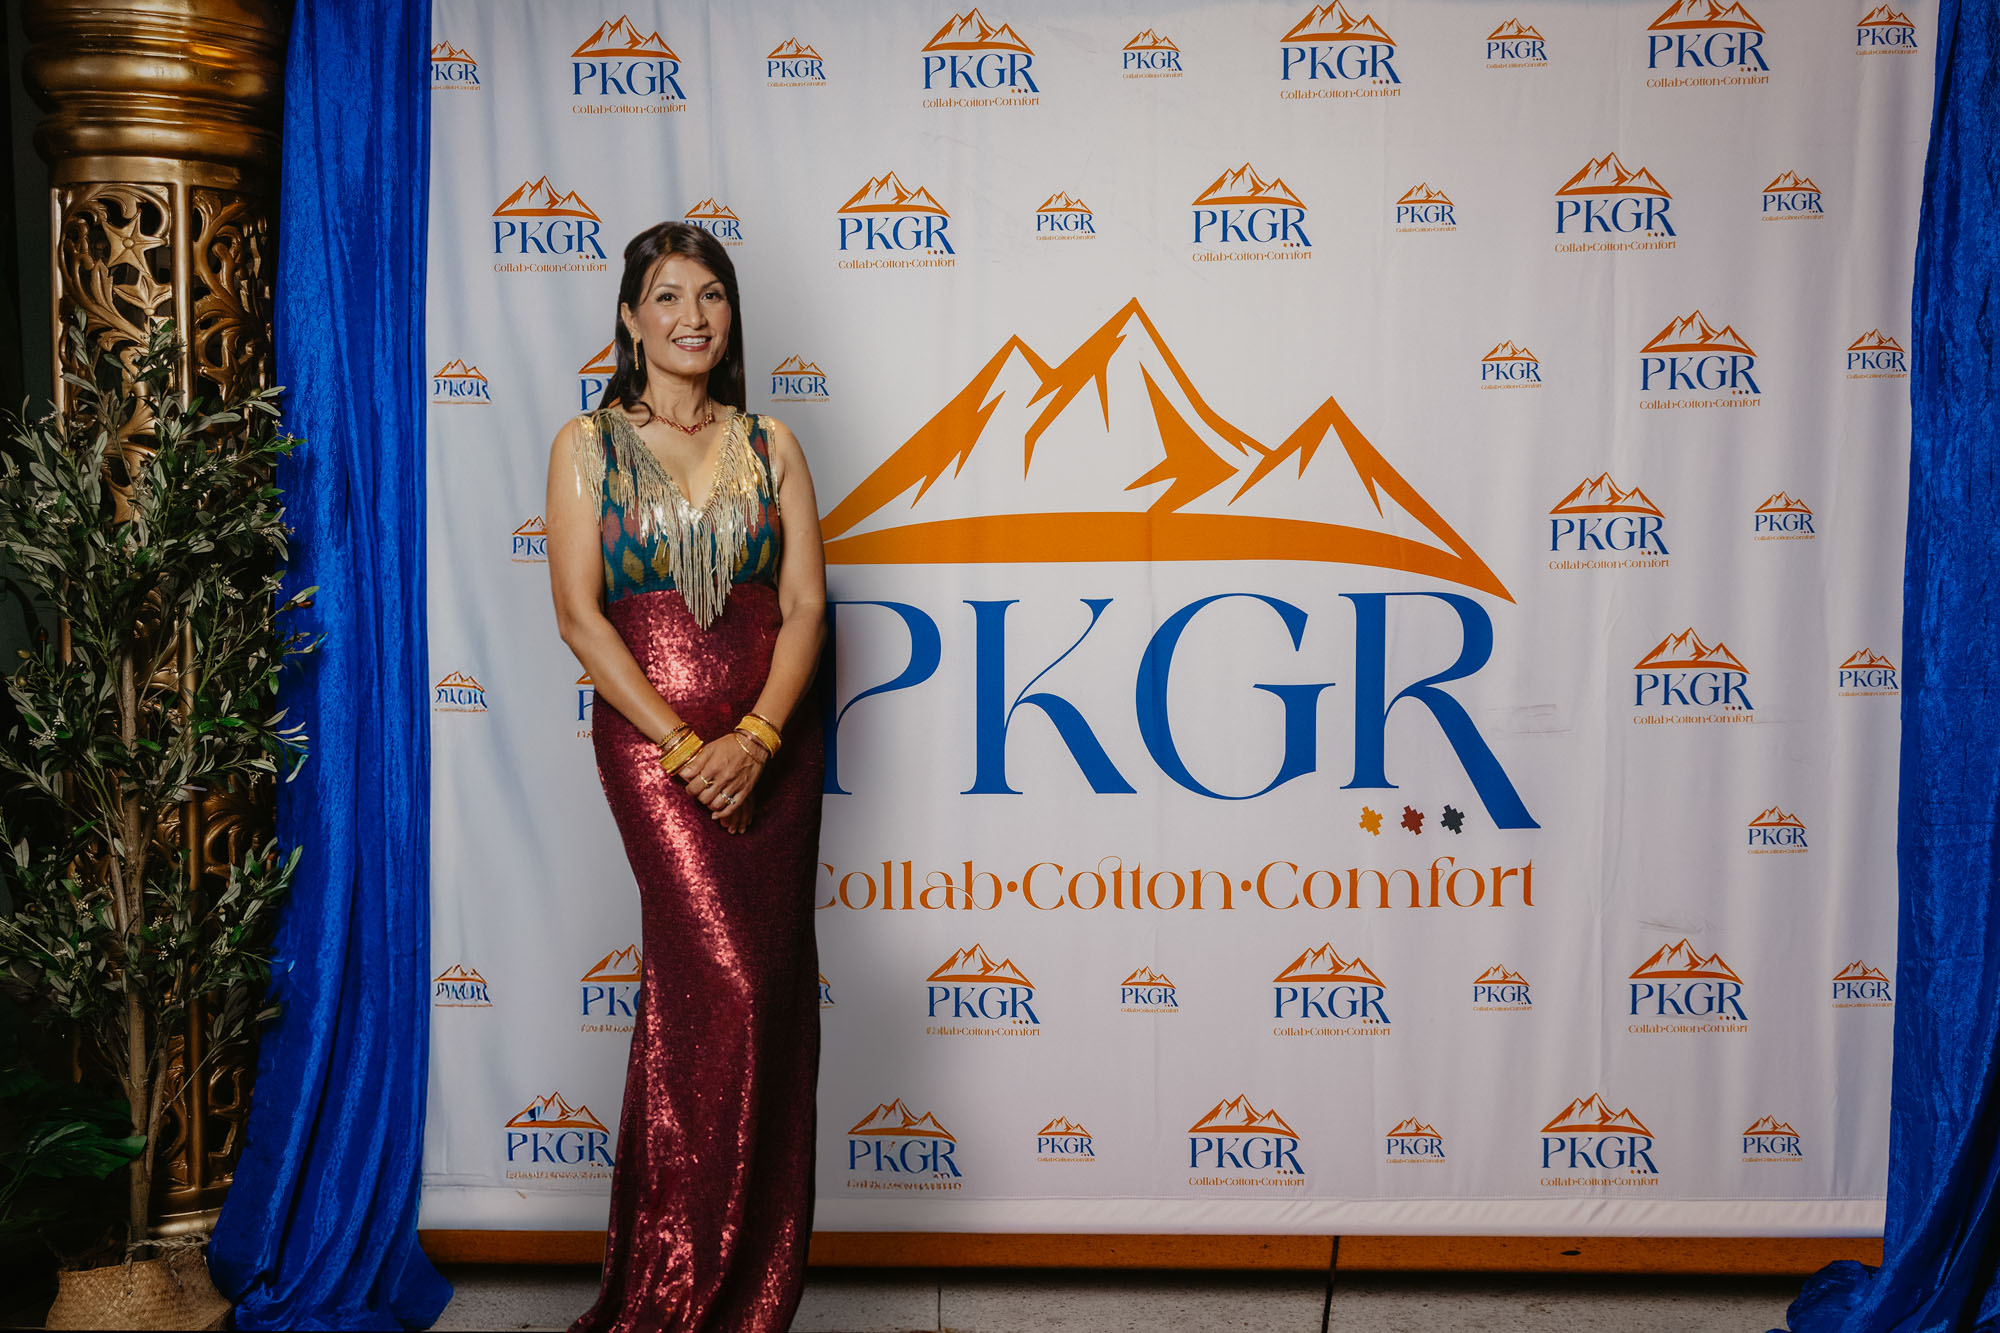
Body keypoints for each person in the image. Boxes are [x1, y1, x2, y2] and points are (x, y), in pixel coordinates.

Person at [544, 221, 827, 1333]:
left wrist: (755, 737)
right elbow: (581, 616)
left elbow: (804, 605)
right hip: (652, 751)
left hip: (773, 748)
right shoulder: (586, 444)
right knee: (721, 988)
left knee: (762, 1000)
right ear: (630, 318)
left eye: (710, 294)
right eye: (666, 296)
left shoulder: (772, 442)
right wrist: (681, 745)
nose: (692, 316)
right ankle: (676, 1286)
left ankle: (746, 1293)